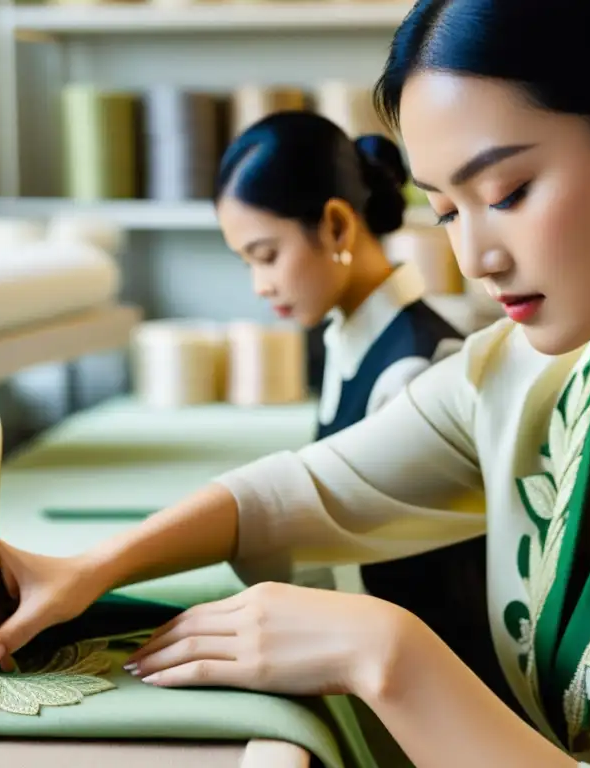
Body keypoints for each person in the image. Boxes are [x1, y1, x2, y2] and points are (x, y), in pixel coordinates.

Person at [0, 1, 590, 765]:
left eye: (508, 192)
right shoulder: (525, 372)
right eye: (448, 211)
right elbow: (311, 490)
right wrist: (85, 569)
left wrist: (385, 654)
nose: (476, 260)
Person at [210, 109, 503, 704]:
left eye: (266, 255)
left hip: (436, 688)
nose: (259, 286)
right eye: (248, 263)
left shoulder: (420, 365)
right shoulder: (348, 340)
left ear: (338, 226)